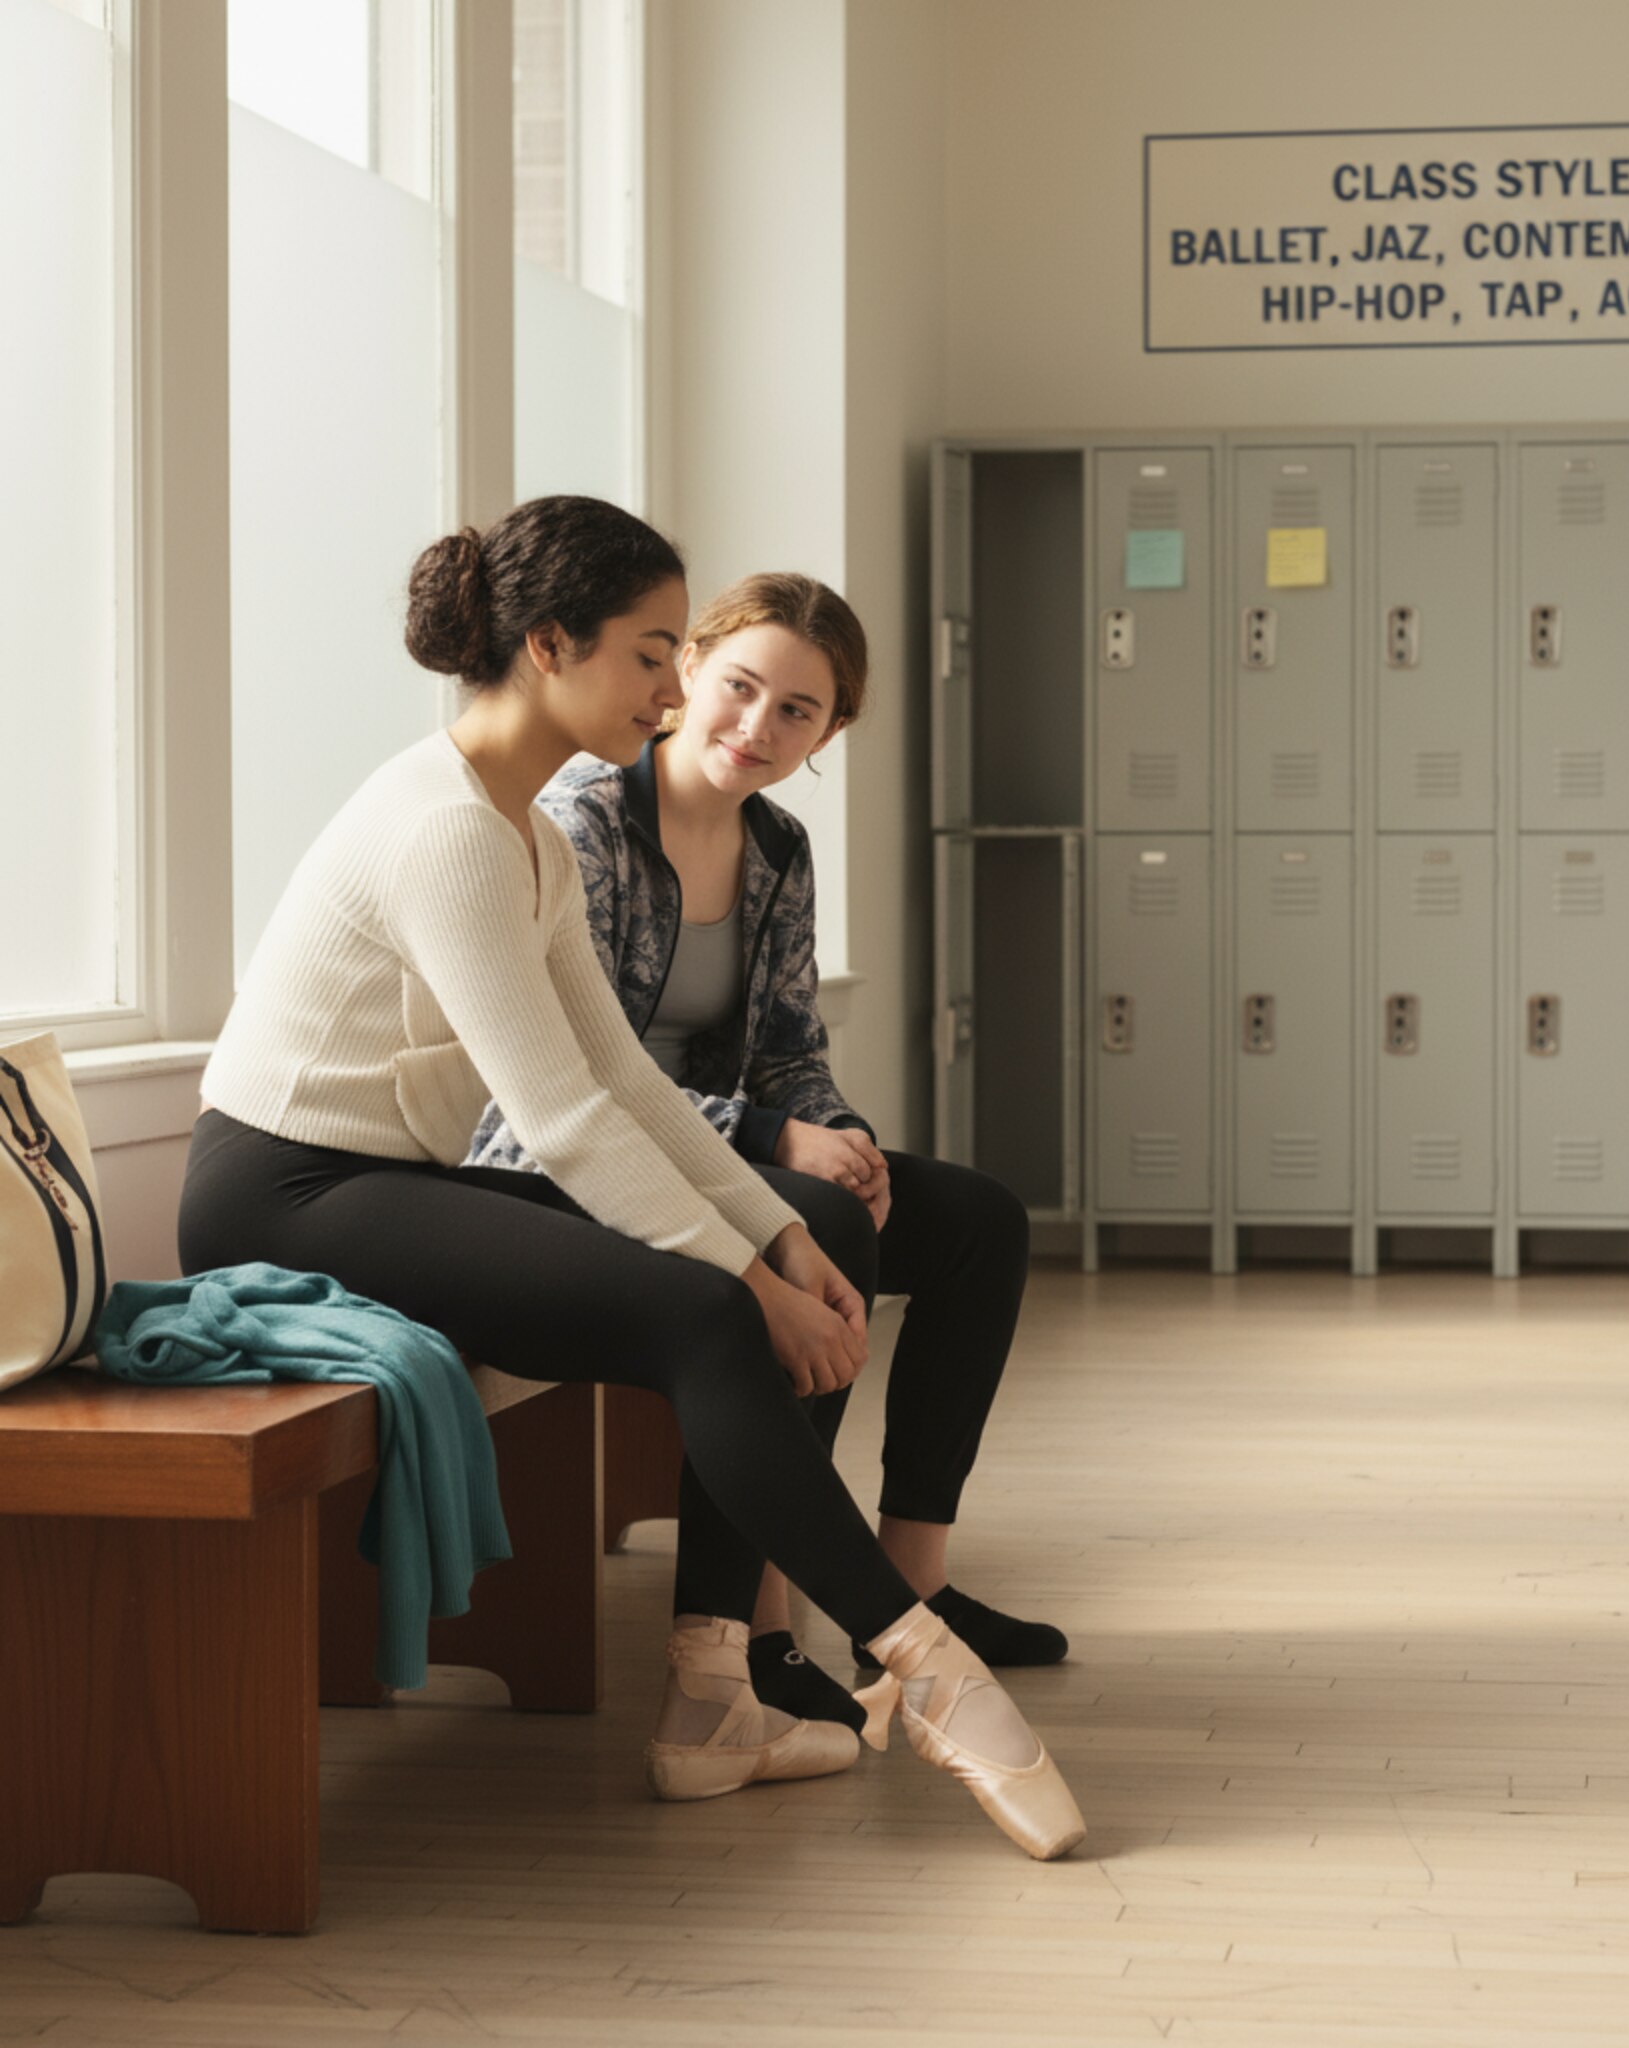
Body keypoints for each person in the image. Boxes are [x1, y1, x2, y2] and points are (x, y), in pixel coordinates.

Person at [178, 496, 1084, 1860]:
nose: (671, 689)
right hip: (287, 1200)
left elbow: (630, 1087)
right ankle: (927, 1669)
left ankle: (745, 1690)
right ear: (551, 645)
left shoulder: (518, 833)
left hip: (384, 1181)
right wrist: (751, 1278)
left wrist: (781, 1235)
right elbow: (557, 1119)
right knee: (705, 1314)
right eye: (656, 653)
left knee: (733, 1293)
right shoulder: (453, 832)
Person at [468, 571, 1065, 1734]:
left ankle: (917, 1578)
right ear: (687, 669)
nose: (757, 726)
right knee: (824, 1230)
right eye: (739, 687)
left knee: (977, 1222)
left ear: (829, 730)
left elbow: (790, 1042)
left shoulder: (777, 846)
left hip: (722, 1150)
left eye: (798, 710)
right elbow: (576, 1079)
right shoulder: (582, 828)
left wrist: (835, 1129)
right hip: (568, 1164)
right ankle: (760, 1627)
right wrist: (774, 1139)